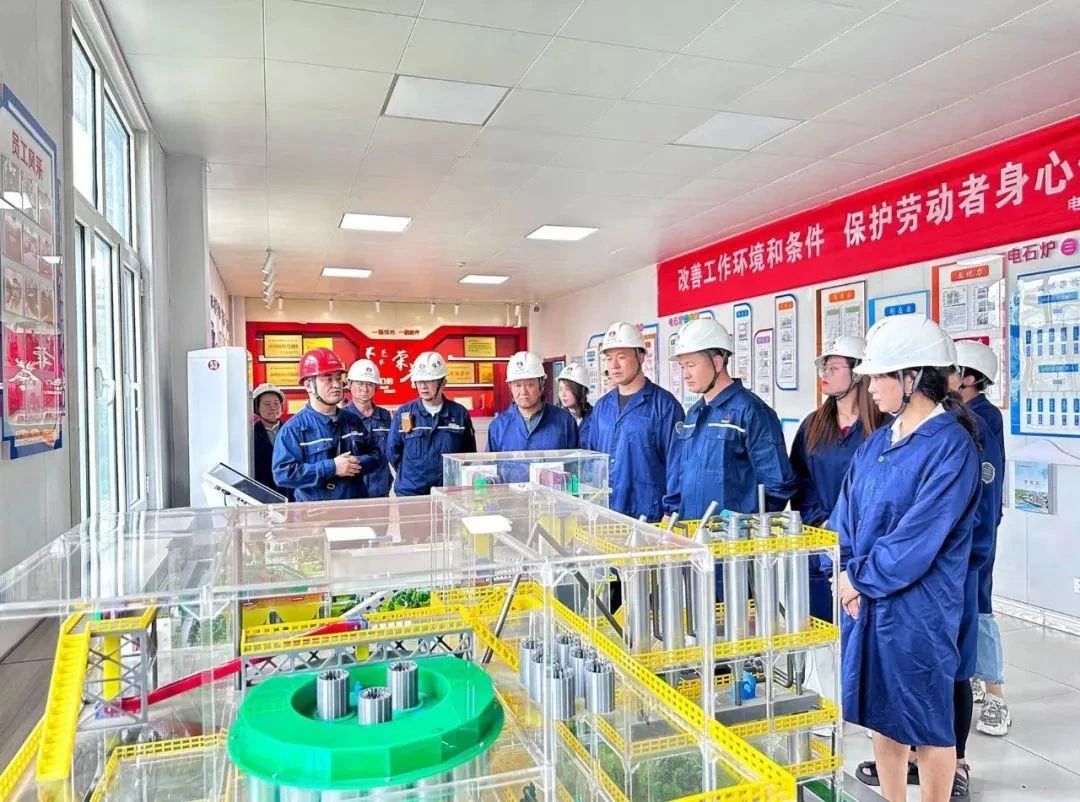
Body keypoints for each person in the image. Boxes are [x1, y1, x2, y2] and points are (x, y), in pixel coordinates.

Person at [832, 316, 980, 802]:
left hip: (920, 608)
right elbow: (846, 515)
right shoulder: (878, 442)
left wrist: (859, 579)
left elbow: (920, 537)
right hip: (867, 600)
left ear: (912, 378)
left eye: (879, 376)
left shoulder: (951, 447)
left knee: (929, 719)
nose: (870, 387)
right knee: (882, 713)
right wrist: (846, 573)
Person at [789, 336, 885, 621]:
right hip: (820, 541)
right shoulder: (813, 425)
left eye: (833, 368)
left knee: (860, 627)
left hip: (866, 547)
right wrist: (821, 521)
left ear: (857, 373)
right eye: (823, 368)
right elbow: (801, 481)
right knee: (821, 625)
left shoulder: (882, 427)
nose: (825, 374)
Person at [664, 317, 795, 522]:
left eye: (691, 365)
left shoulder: (751, 411)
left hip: (734, 537)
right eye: (682, 366)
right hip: (692, 534)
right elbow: (682, 476)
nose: (685, 375)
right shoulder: (693, 414)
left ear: (717, 363)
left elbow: (777, 483)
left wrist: (747, 525)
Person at [951, 341, 1009, 738]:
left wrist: (981, 536)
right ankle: (972, 677)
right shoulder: (959, 415)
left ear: (970, 378)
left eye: (953, 371)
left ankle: (996, 695)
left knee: (980, 607)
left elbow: (988, 483)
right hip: (970, 534)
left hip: (978, 533)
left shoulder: (982, 419)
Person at [583, 322, 683, 522]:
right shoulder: (602, 407)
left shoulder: (665, 406)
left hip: (649, 516)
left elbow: (677, 464)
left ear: (641, 357)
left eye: (621, 357)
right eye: (609, 358)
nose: (614, 365)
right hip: (606, 513)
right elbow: (591, 460)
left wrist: (670, 512)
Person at [272, 347, 386, 502]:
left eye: (338, 378)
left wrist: (355, 463)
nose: (337, 385)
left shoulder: (352, 421)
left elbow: (376, 456)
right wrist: (332, 467)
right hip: (316, 513)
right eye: (328, 379)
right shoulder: (294, 429)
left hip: (356, 509)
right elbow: (283, 474)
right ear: (308, 385)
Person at [387, 351, 476, 495]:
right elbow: (393, 453)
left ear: (443, 383)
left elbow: (468, 455)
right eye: (419, 381)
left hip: (448, 492)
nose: (423, 386)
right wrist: (412, 476)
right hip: (411, 493)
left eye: (429, 381)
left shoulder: (459, 414)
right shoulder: (403, 413)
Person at [487, 351, 578, 452]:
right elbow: (490, 461)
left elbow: (576, 460)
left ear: (541, 385)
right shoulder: (498, 427)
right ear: (510, 387)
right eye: (517, 385)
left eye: (529, 385)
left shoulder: (565, 421)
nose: (523, 392)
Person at [346, 358, 393, 498]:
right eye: (360, 383)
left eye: (370, 384)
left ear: (376, 387)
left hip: (382, 492)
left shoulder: (385, 416)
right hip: (352, 493)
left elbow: (394, 451)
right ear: (349, 384)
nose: (365, 389)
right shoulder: (342, 417)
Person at [252, 383, 291, 499]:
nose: (273, 408)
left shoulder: (290, 430)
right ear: (256, 408)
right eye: (267, 404)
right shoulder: (251, 434)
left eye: (276, 403)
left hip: (289, 493)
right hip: (262, 494)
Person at [556, 362, 594, 444]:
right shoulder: (556, 418)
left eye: (568, 389)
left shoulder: (595, 417)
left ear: (582, 391)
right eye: (560, 389)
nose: (563, 394)